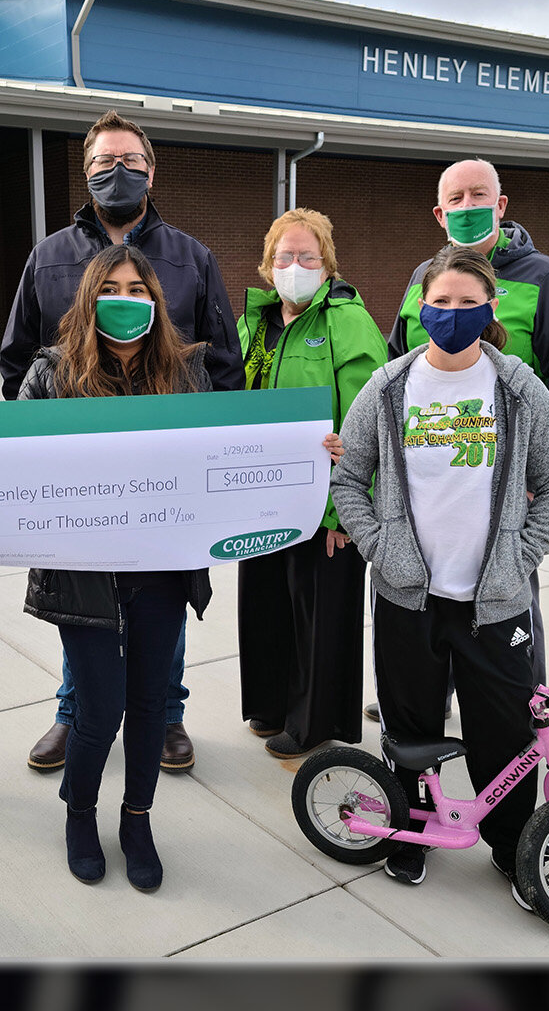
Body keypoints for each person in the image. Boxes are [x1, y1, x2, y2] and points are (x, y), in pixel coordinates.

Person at [0, 245, 210, 891]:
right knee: (100, 708)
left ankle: (137, 818)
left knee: (149, 703)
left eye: (139, 290)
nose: (127, 300)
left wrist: (304, 451)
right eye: (113, 288)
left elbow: (217, 459)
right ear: (88, 299)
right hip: (81, 573)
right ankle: (80, 810)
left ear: (157, 303)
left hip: (161, 569)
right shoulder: (52, 373)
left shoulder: (186, 374)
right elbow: (11, 460)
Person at [331, 244, 549, 903]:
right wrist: (382, 546)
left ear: (490, 309)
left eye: (468, 303)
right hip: (409, 599)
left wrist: (522, 556)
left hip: (494, 602)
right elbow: (350, 476)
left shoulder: (520, 389)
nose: (451, 313)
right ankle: (408, 834)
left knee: (503, 732)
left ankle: (511, 846)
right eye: (440, 302)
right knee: (408, 730)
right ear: (419, 307)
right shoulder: (387, 389)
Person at [0, 110, 243, 776]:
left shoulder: (191, 257)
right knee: (82, 594)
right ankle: (73, 710)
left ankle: (165, 713)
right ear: (86, 171)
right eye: (106, 161)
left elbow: (222, 365)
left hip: (167, 471)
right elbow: (21, 361)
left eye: (132, 161)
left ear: (152, 169)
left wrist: (215, 459)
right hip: (79, 473)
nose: (119, 172)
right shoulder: (48, 256)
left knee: (163, 591)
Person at [370, 158, 549, 719]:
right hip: (429, 474)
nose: (469, 207)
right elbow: (396, 365)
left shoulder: (545, 277)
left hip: (501, 484)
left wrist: (533, 471)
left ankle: (520, 704)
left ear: (502, 203)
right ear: (440, 213)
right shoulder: (425, 277)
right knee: (432, 595)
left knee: (505, 594)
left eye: (479, 195)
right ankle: (430, 695)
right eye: (457, 199)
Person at [234, 209, 387, 759]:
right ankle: (271, 705)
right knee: (267, 605)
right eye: (284, 257)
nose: (294, 266)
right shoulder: (252, 323)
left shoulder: (346, 322)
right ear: (266, 264)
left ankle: (315, 722)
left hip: (323, 505)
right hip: (263, 501)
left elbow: (367, 422)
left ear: (327, 265)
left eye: (307, 257)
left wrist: (346, 512)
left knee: (318, 614)